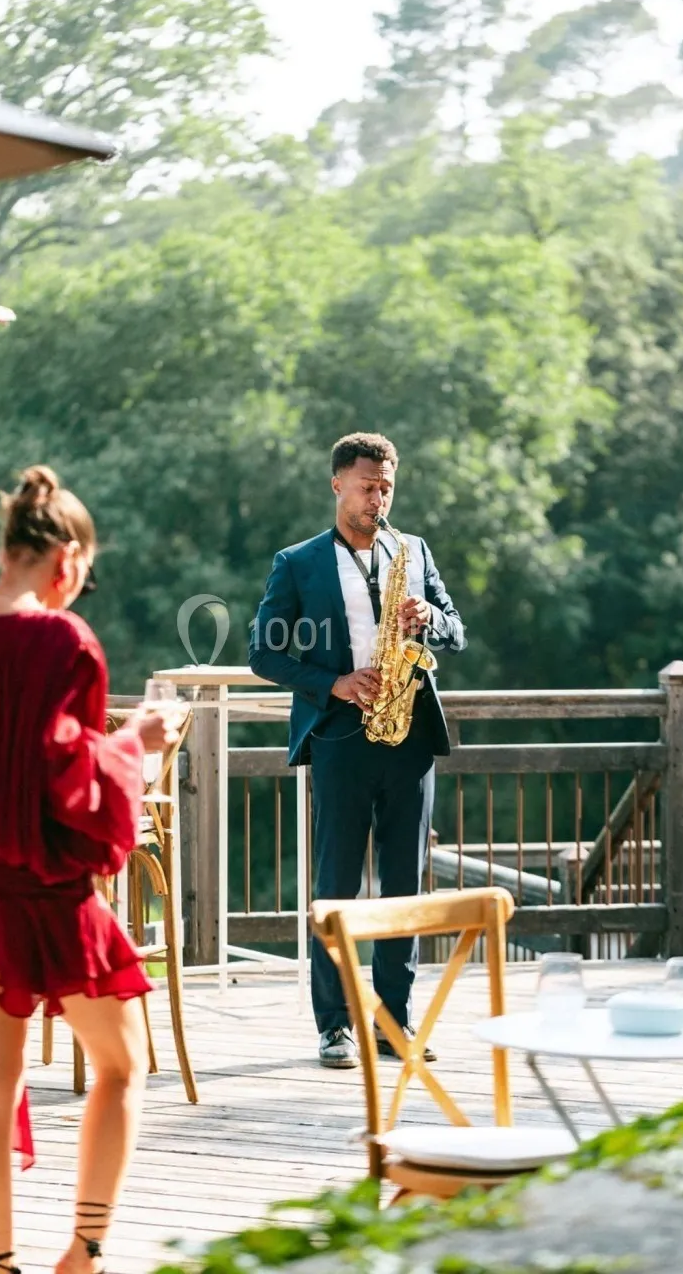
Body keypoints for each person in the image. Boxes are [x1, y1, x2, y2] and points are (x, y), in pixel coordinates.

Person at [0, 465, 186, 1274]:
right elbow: (67, 780)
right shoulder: (66, 642)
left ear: (7, 550)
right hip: (48, 899)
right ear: (68, 561)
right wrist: (137, 742)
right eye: (83, 577)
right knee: (123, 1066)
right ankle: (84, 1254)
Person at [248, 433, 465, 1068]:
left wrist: (430, 619)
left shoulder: (413, 551)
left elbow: (456, 629)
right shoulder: (299, 562)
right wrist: (335, 683)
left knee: (404, 885)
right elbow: (264, 653)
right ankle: (335, 1025)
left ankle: (394, 1022)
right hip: (340, 736)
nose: (378, 499)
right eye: (368, 486)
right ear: (337, 484)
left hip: (409, 735)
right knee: (337, 882)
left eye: (386, 487)